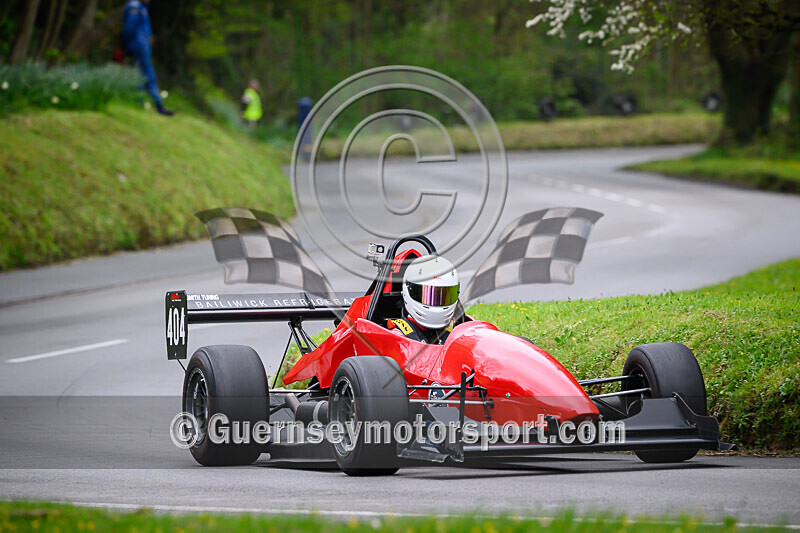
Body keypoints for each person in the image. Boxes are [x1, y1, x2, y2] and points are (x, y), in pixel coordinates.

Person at [388, 255, 460, 345]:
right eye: (428, 296)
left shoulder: (458, 332)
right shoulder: (396, 337)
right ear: (408, 291)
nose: (435, 304)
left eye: (443, 297)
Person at [121, 0, 173, 116]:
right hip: (138, 47)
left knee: (141, 75)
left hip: (142, 47)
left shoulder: (142, 7)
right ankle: (152, 105)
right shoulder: (134, 6)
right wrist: (126, 45)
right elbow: (128, 29)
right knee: (144, 76)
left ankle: (149, 104)